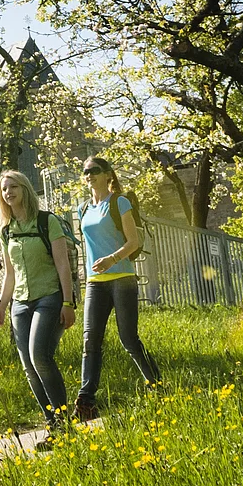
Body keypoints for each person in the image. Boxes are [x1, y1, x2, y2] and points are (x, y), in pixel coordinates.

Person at [73, 155, 161, 421]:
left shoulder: (119, 202)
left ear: (108, 175)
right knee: (90, 341)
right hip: (95, 283)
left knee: (128, 339)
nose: (89, 175)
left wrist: (112, 258)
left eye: (94, 170)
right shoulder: (83, 209)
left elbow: (133, 242)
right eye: (85, 171)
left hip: (122, 278)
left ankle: (156, 384)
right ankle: (86, 402)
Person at [0, 168, 77, 429]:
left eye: (14, 186)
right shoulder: (7, 230)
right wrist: (1, 306)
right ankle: (53, 423)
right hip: (20, 303)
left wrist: (68, 303)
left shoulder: (47, 221)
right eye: (4, 189)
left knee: (40, 356)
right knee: (29, 366)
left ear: (25, 189)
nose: (9, 192)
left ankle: (63, 421)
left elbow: (63, 265)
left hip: (49, 297)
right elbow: (10, 273)